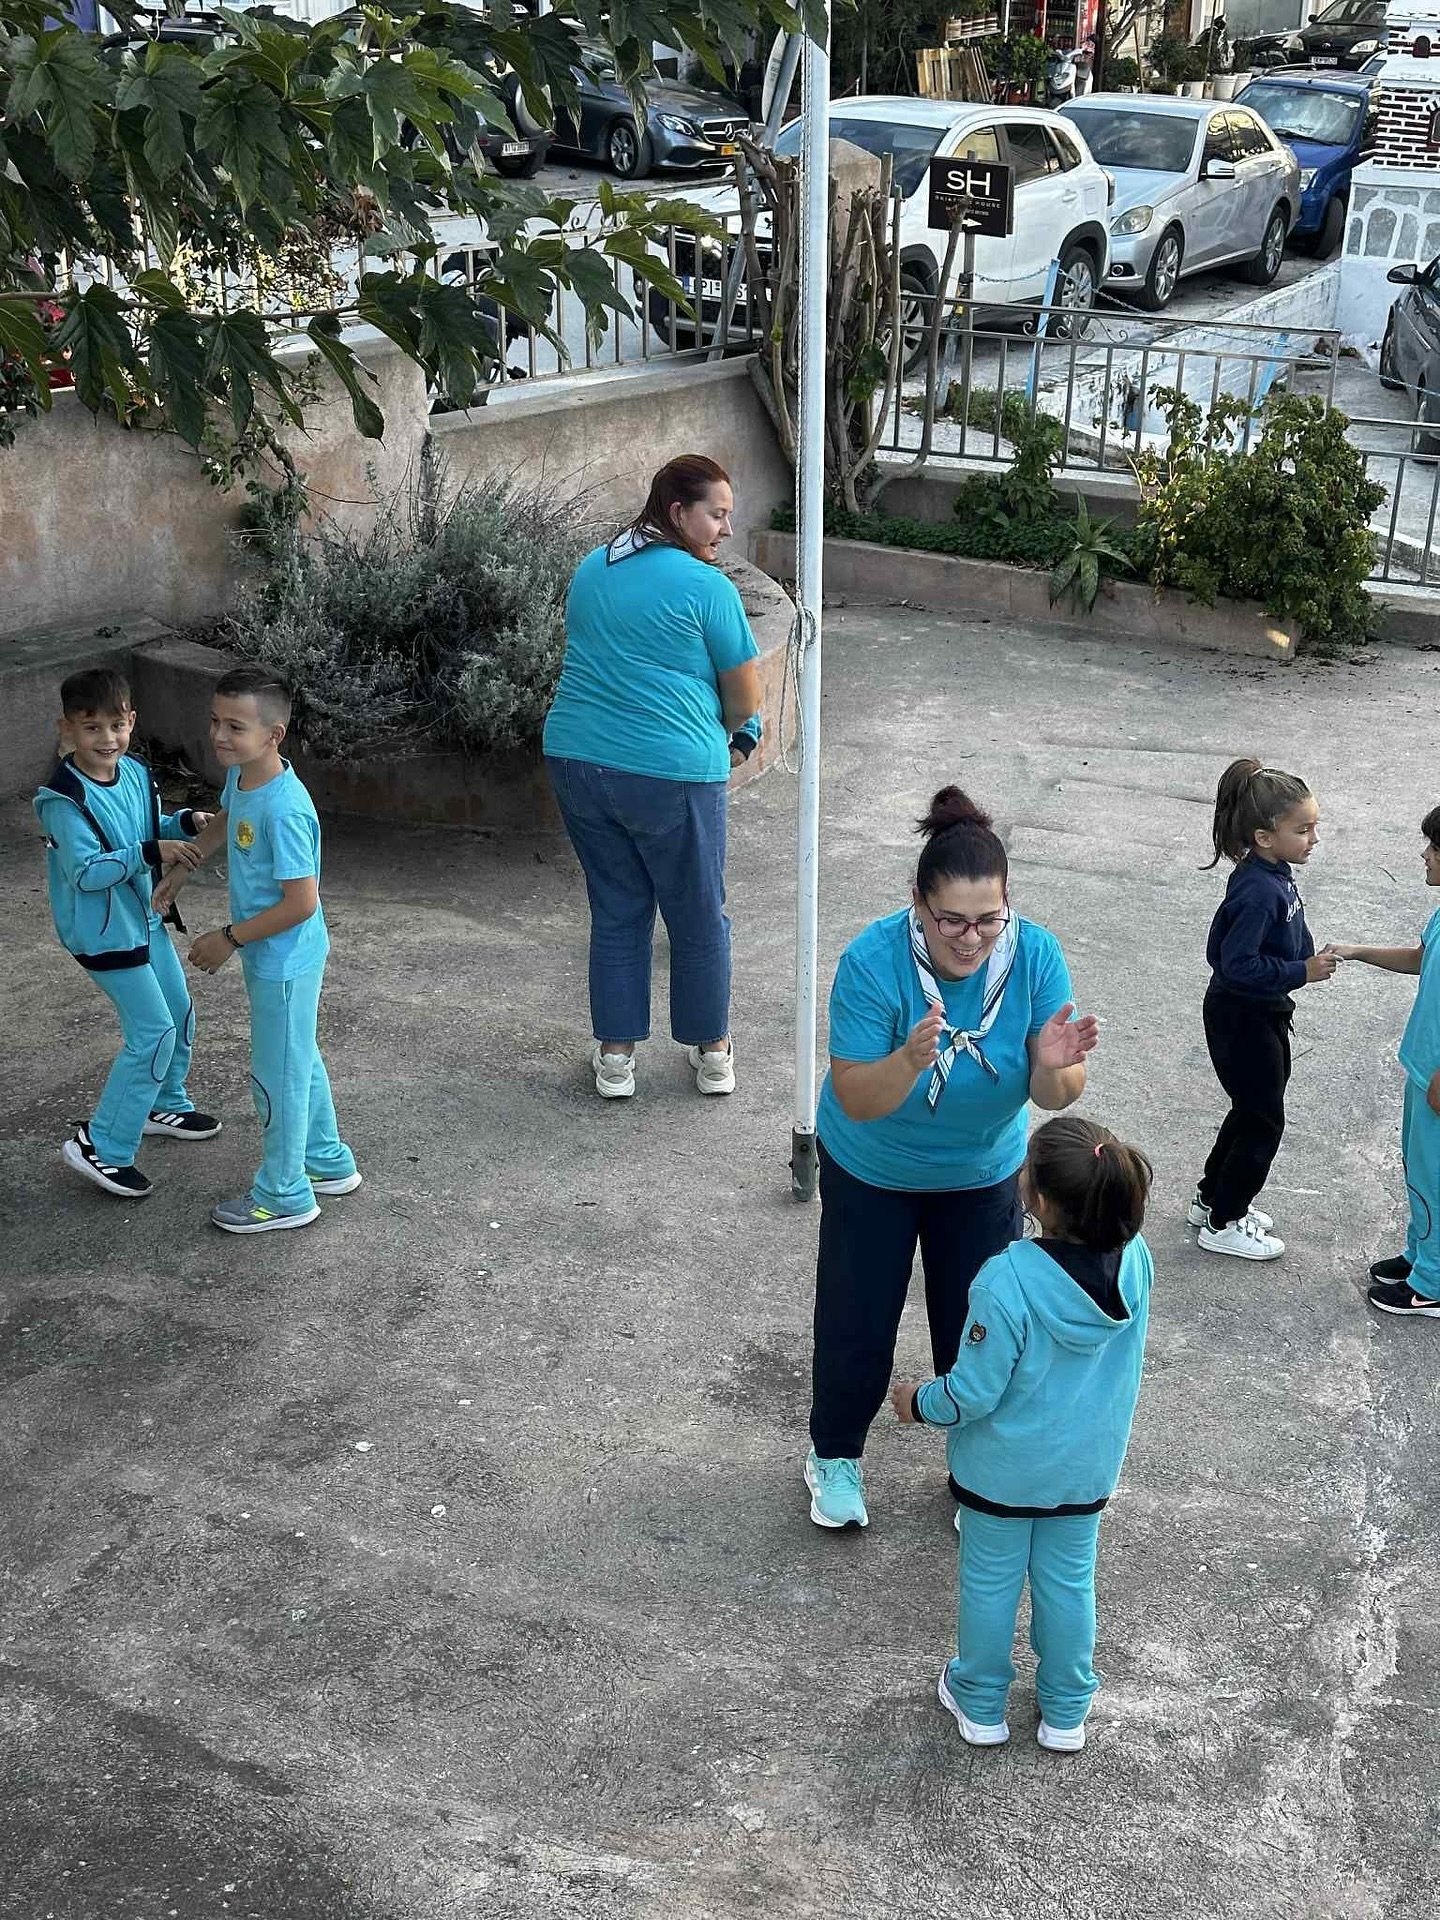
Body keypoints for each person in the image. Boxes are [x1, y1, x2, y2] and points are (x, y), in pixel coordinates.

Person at [804, 786, 1098, 1532]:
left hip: (981, 1171)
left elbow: (1057, 1094)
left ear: (1009, 907)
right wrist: (907, 1059)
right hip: (873, 1164)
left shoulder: (1034, 955)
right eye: (952, 922)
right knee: (857, 1319)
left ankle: (977, 1468)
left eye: (988, 920)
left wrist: (1054, 1066)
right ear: (917, 904)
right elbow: (859, 1096)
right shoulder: (873, 960)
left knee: (981, 1325)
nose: (971, 939)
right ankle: (835, 1455)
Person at [891, 1115, 1153, 1754]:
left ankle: (981, 1701)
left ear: (1034, 1198)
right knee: (1068, 1582)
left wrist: (918, 1401)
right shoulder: (1138, 1262)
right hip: (1085, 1470)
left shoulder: (1005, 1279)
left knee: (990, 1581)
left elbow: (973, 1393)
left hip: (1000, 1475)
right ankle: (1066, 1711)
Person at [543, 454, 762, 1102]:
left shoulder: (592, 565)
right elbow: (745, 699)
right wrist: (737, 735)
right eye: (717, 514)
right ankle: (713, 1052)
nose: (725, 528)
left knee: (617, 909)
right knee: (697, 916)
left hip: (577, 763)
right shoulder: (708, 588)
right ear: (678, 513)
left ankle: (616, 1061)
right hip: (671, 774)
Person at [154, 666, 359, 1234]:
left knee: (277, 1075)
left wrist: (228, 938)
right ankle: (326, 1160)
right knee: (298, 1057)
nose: (220, 735)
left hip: (284, 959)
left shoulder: (287, 809)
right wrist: (183, 867)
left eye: (236, 727)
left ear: (275, 735)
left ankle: (284, 1193)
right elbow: (226, 819)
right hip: (272, 958)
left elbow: (302, 903)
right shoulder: (246, 778)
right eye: (216, 721)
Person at [35, 666, 221, 1200]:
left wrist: (186, 823)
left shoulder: (137, 774)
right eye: (91, 728)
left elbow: (147, 832)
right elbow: (86, 872)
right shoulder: (64, 798)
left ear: (132, 723)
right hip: (101, 934)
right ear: (66, 729)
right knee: (153, 1032)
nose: (106, 738)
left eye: (116, 725)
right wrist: (148, 853)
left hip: (143, 916)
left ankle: (165, 1104)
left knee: (179, 1014)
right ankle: (102, 1145)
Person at [1192, 759, 1338, 1263]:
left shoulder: (1274, 873)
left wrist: (1306, 958)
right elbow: (1238, 965)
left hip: (1262, 1011)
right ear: (1264, 836)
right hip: (1242, 1016)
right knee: (1264, 1119)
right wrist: (1302, 972)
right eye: (1303, 829)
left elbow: (1283, 936)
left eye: (1314, 826)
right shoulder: (1257, 889)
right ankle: (1226, 1220)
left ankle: (1212, 1196)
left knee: (1251, 1107)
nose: (1314, 838)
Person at [1331, 805, 1440, 1317]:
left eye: (1434, 849)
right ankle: (1422, 1257)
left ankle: (1433, 1283)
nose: (1425, 855)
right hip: (1423, 1068)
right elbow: (1422, 959)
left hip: (1437, 1078)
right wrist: (1358, 951)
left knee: (1435, 1175)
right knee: (1419, 1168)